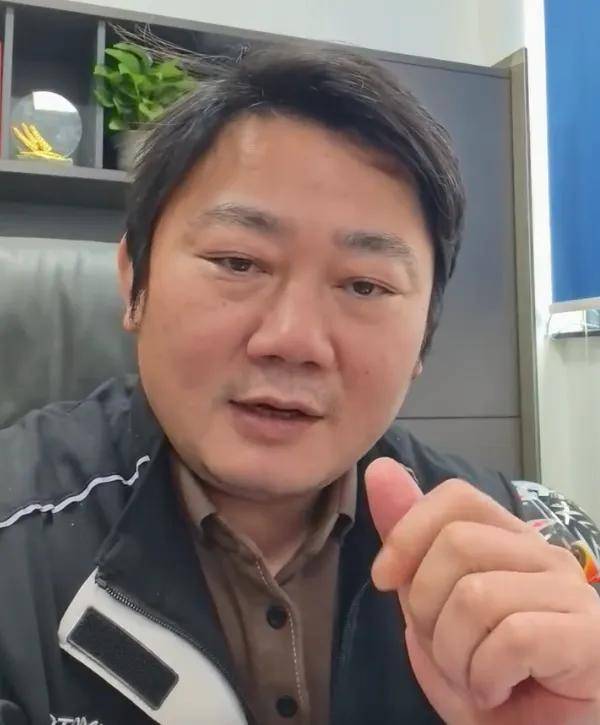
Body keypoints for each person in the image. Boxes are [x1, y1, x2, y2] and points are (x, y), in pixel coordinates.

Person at [0, 45, 599, 725]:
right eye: (238, 262)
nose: (293, 340)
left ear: (425, 335)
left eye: (364, 285)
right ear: (135, 280)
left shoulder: (535, 544)